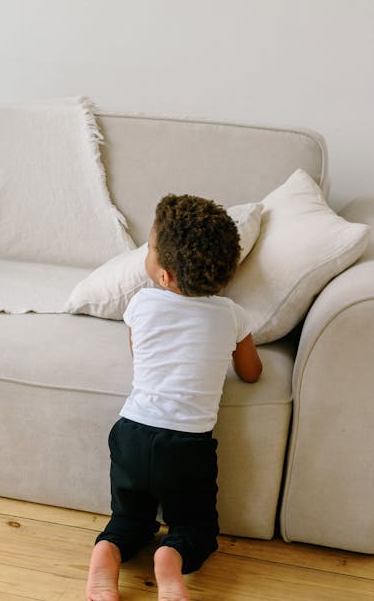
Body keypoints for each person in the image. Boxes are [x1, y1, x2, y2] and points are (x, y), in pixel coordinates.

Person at [85, 194, 263, 601]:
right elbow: (251, 373)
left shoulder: (140, 304)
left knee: (129, 519)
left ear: (164, 276)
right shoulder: (232, 314)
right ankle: (169, 560)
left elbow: (141, 356)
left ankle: (106, 555)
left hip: (130, 433)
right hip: (187, 446)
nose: (146, 252)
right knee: (194, 529)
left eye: (149, 249)